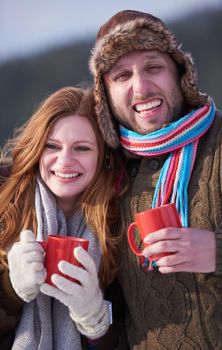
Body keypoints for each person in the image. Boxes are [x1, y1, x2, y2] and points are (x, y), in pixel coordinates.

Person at [89, 9, 222, 349]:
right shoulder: (103, 176)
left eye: (153, 68)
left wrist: (220, 250)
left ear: (179, 73)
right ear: (105, 94)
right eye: (122, 76)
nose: (140, 87)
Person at [0, 86, 123, 349]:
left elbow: (129, 336)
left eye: (81, 148)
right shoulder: (3, 199)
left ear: (102, 157)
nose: (65, 161)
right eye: (52, 146)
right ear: (36, 148)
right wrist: (11, 290)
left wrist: (93, 316)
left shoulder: (118, 219)